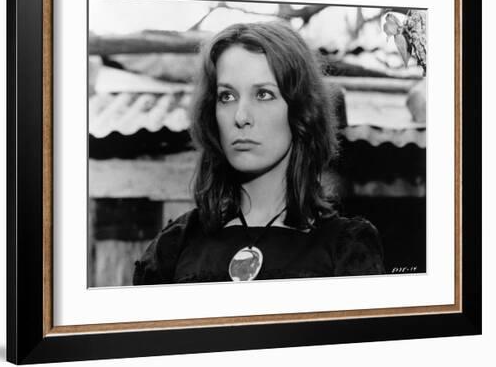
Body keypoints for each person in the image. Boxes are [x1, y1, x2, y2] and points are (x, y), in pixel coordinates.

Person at [133, 21, 384, 285]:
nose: (241, 117)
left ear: (301, 111)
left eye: (263, 94)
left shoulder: (345, 248)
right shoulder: (174, 246)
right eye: (227, 97)